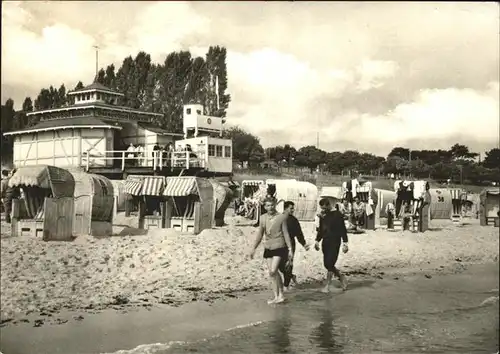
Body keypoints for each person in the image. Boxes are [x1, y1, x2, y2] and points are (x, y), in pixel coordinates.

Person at [247, 197, 294, 304]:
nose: (270, 207)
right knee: (272, 273)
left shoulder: (281, 217)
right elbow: (260, 234)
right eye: (268, 205)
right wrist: (253, 248)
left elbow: (286, 233)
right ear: (265, 207)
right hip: (268, 247)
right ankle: (276, 296)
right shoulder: (263, 218)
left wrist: (290, 249)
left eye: (272, 205)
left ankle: (281, 295)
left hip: (280, 246)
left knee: (273, 270)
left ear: (275, 205)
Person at [314, 198, 349, 293]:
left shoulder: (338, 214)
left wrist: (345, 243)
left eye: (324, 208)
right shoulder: (323, 215)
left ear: (328, 205)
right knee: (327, 264)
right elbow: (321, 229)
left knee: (330, 263)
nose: (323, 210)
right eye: (322, 208)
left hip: (335, 241)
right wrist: (317, 240)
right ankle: (341, 277)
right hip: (325, 242)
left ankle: (327, 285)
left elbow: (343, 229)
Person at [279, 201, 310, 292]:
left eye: (293, 208)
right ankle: (291, 276)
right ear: (285, 208)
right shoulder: (278, 218)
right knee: (279, 265)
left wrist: (304, 244)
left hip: (291, 244)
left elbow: (299, 234)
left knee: (289, 265)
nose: (293, 210)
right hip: (279, 243)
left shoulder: (294, 220)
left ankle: (286, 286)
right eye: (291, 208)